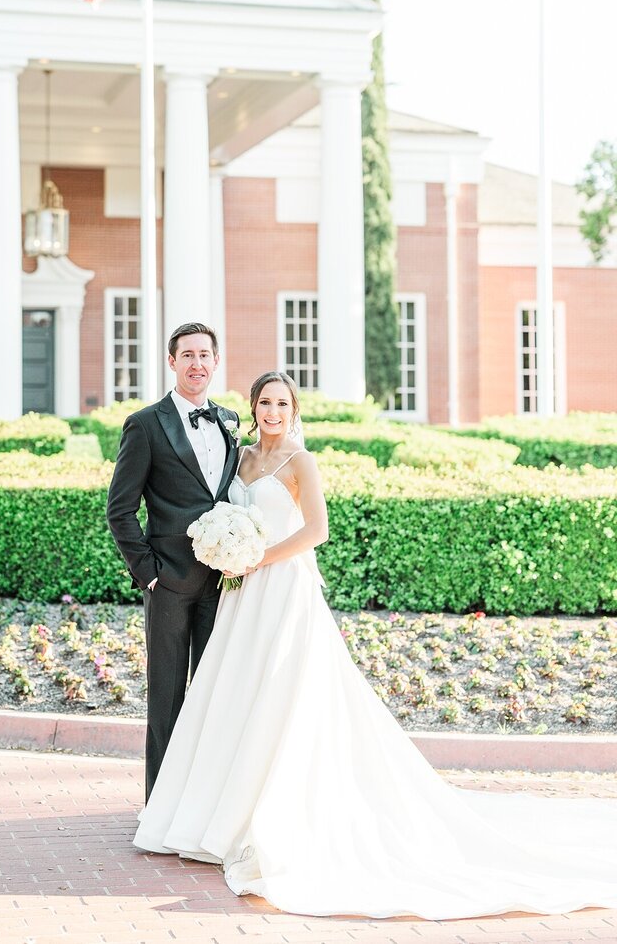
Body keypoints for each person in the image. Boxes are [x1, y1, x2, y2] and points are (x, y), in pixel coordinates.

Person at [134, 371, 617, 920]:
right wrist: (228, 550)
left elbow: (317, 530)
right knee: (232, 692)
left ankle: (264, 815)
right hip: (240, 592)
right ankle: (212, 809)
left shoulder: (300, 462)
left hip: (281, 587)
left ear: (294, 411)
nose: (273, 412)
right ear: (252, 408)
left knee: (278, 695)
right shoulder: (240, 458)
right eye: (265, 403)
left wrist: (257, 557)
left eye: (282, 404)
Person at [107, 322, 241, 800]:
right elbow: (120, 509)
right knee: (166, 698)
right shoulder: (145, 424)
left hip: (222, 582)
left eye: (205, 355)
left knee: (210, 695)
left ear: (216, 361)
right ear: (171, 362)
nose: (197, 364)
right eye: (187, 355)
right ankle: (160, 805)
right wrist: (149, 575)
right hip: (168, 581)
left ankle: (201, 803)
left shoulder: (230, 420)